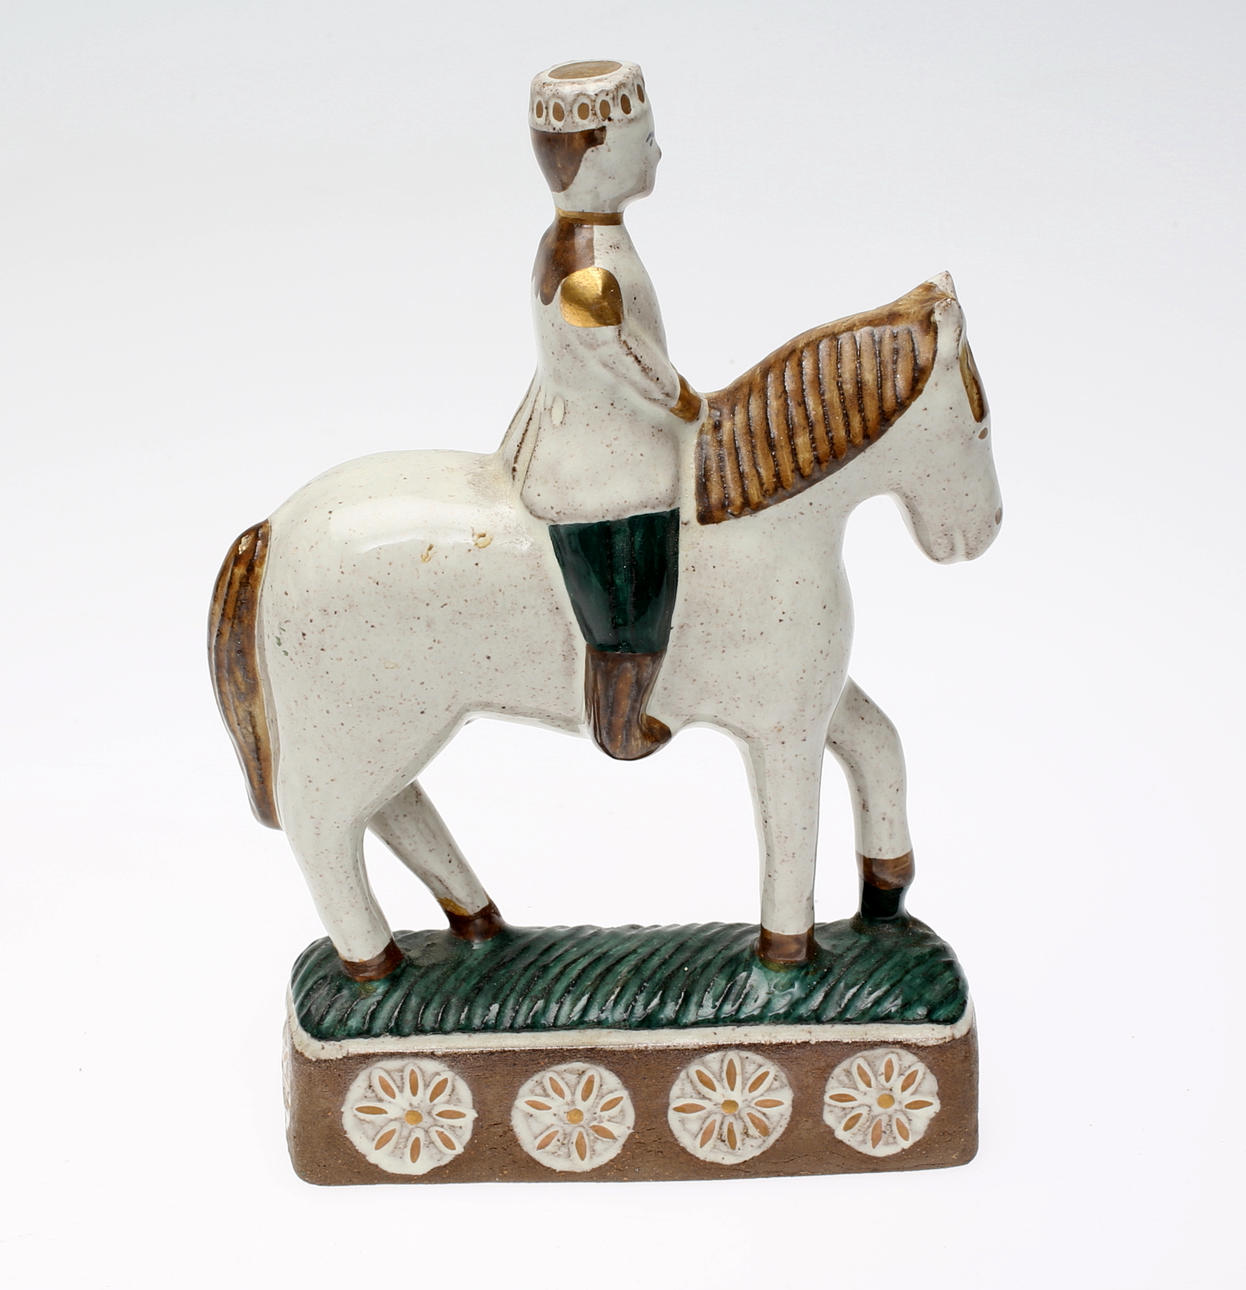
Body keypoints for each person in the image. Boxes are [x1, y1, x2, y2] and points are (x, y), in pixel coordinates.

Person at [501, 59, 703, 760]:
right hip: (603, 463)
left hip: (568, 429)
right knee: (634, 583)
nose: (656, 153)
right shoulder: (590, 269)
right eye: (642, 140)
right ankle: (621, 715)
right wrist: (685, 399)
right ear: (593, 154)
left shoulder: (578, 239)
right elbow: (624, 356)